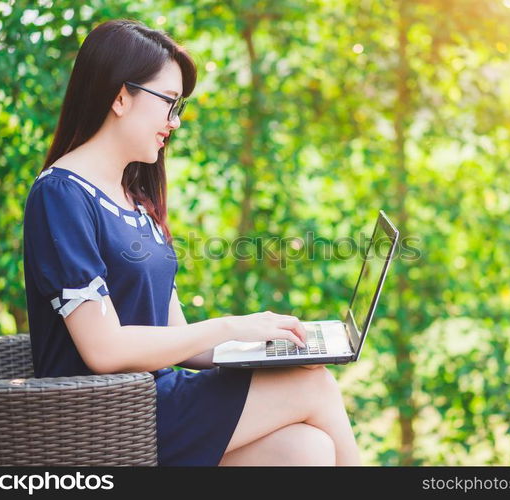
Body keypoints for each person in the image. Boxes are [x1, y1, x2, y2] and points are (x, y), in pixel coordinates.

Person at [22, 19, 360, 466]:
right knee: (312, 387)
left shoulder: (135, 200)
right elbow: (103, 350)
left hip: (149, 402)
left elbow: (177, 338)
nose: (174, 121)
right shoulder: (61, 194)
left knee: (306, 448)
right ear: (121, 97)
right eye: (168, 102)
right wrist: (233, 326)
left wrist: (265, 344)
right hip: (103, 420)